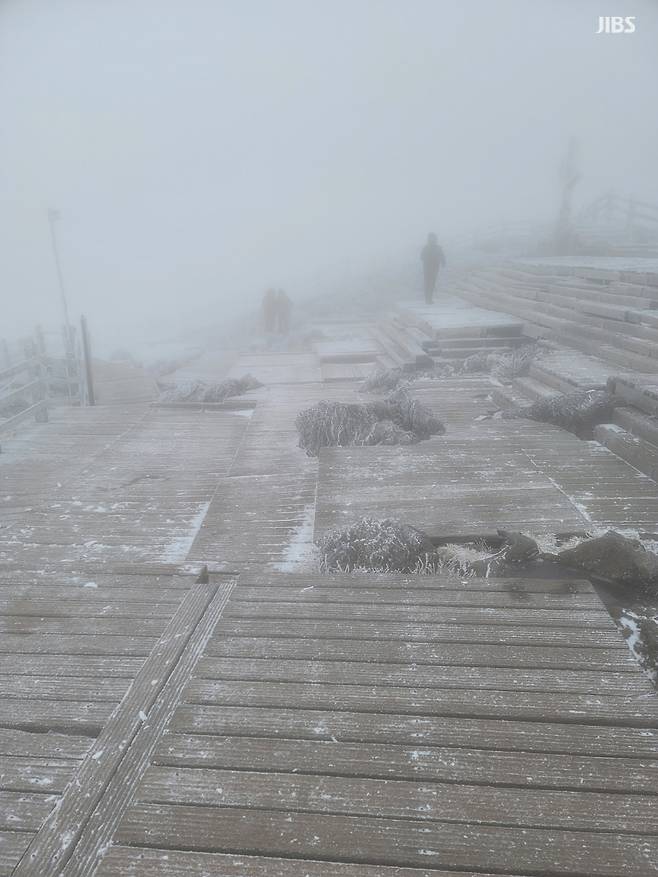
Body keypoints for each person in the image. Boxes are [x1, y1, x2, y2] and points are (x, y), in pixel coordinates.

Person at [420, 232, 446, 304]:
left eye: (434, 238)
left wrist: (443, 262)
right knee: (428, 283)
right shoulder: (426, 248)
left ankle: (429, 298)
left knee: (432, 283)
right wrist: (429, 259)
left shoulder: (437, 247)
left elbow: (442, 255)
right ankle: (427, 299)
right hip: (427, 268)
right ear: (429, 239)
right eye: (431, 238)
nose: (433, 239)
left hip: (434, 268)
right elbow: (421, 257)